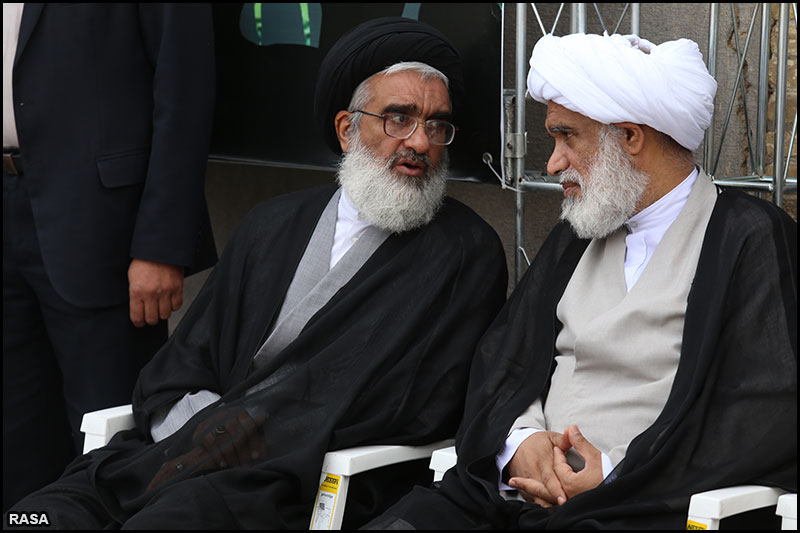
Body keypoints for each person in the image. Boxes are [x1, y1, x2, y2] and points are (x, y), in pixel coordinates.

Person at [4, 17, 508, 529]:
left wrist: (261, 430)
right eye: (399, 118)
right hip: (181, 455)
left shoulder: (466, 253)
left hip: (292, 481)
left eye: (436, 125)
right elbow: (181, 366)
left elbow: (420, 404)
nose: (420, 142)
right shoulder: (272, 224)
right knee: (38, 515)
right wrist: (212, 434)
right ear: (346, 129)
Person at [367, 32, 797, 530]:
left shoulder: (747, 237)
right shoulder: (578, 233)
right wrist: (519, 441)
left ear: (630, 137)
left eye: (566, 136)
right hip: (512, 498)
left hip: (638, 507)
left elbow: (767, 413)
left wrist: (616, 473)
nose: (553, 163)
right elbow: (504, 361)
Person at [2, 3, 217, 511]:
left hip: (102, 229)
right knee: (14, 437)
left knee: (106, 442)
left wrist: (161, 245)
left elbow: (184, 89)